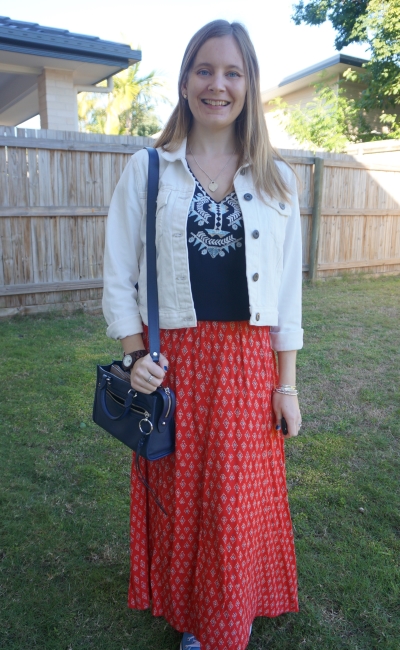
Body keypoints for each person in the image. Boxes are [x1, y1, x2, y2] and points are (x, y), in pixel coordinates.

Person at [102, 19, 303, 650]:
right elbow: (118, 277)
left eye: (233, 72)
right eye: (205, 70)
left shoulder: (276, 179)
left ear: (250, 85)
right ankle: (196, 616)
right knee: (187, 499)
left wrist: (288, 385)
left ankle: (229, 612)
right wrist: (135, 357)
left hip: (248, 362)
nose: (219, 84)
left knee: (236, 502)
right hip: (176, 362)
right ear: (186, 80)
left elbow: (288, 294)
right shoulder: (147, 171)